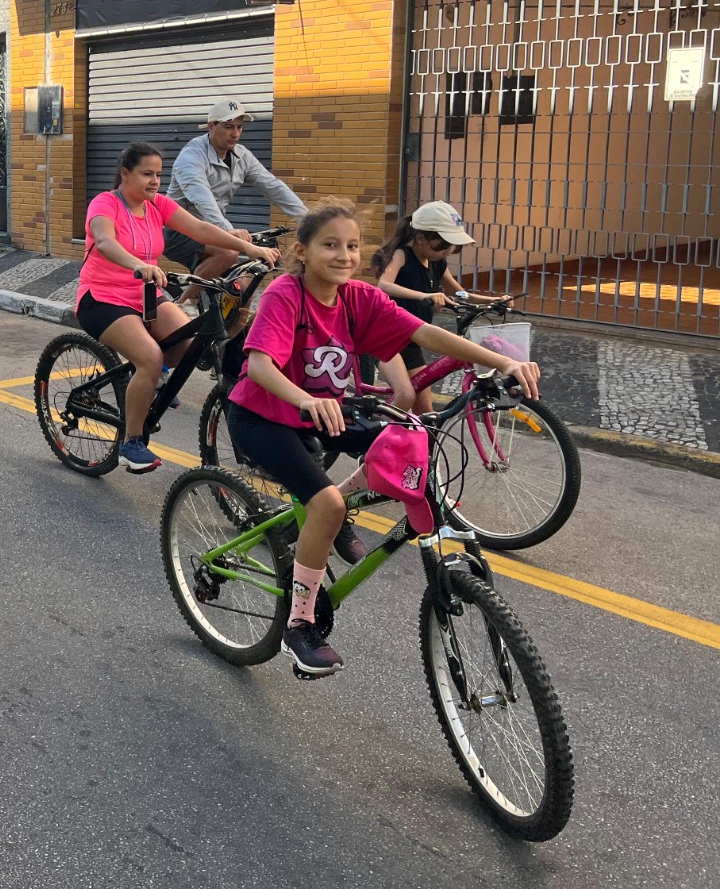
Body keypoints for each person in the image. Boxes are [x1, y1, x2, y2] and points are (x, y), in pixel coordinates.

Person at [224, 201, 542, 676]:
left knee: (398, 441)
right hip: (264, 414)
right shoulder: (285, 294)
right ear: (302, 251)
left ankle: (326, 520)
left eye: (352, 246)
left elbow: (424, 333)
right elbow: (259, 366)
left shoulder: (357, 297)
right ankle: (299, 624)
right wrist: (306, 400)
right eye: (330, 245)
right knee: (328, 505)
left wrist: (501, 362)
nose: (344, 255)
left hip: (325, 411)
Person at [78, 141, 279, 473]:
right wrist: (137, 265)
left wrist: (248, 248)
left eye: (158, 174)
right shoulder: (105, 203)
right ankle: (132, 442)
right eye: (147, 174)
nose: (155, 181)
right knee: (151, 357)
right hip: (102, 297)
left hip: (145, 294)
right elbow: (104, 241)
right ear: (125, 174)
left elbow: (200, 229)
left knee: (187, 349)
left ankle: (150, 380)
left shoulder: (158, 204)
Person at [373, 202, 511, 413]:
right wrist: (425, 295)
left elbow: (459, 293)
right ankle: (374, 439)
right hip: (384, 336)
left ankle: (419, 444)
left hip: (411, 338)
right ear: (420, 239)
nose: (446, 252)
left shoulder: (437, 262)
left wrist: (493, 301)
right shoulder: (402, 254)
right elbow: (384, 285)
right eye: (442, 245)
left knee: (425, 408)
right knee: (405, 394)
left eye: (451, 247)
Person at [167, 100, 308, 298]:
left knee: (244, 284)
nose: (235, 133)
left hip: (212, 230)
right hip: (176, 229)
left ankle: (231, 327)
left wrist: (308, 220)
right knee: (228, 253)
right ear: (211, 126)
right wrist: (227, 231)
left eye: (239, 127)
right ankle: (184, 301)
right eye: (228, 127)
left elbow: (272, 186)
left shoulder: (242, 156)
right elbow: (201, 198)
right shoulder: (191, 157)